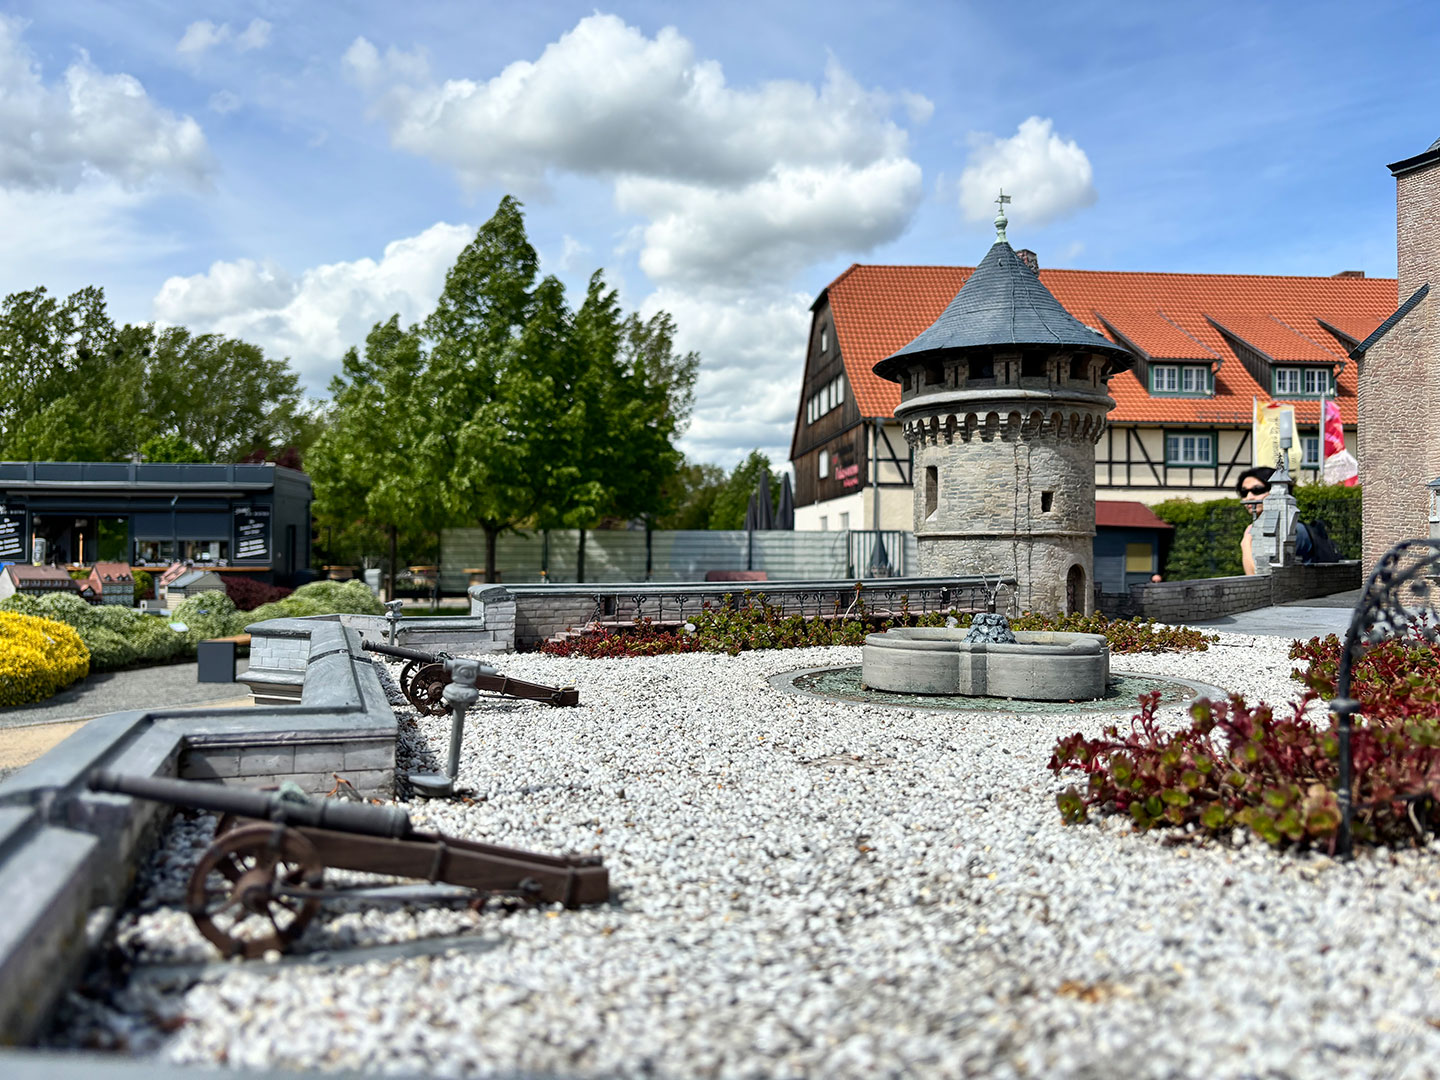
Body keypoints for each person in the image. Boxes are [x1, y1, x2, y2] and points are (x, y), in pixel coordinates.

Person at [1237, 467, 1312, 573]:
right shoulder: (1259, 527)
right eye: (1244, 492)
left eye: (1257, 490)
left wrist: (1246, 543)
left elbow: (1261, 577)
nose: (1249, 497)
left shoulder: (1290, 527)